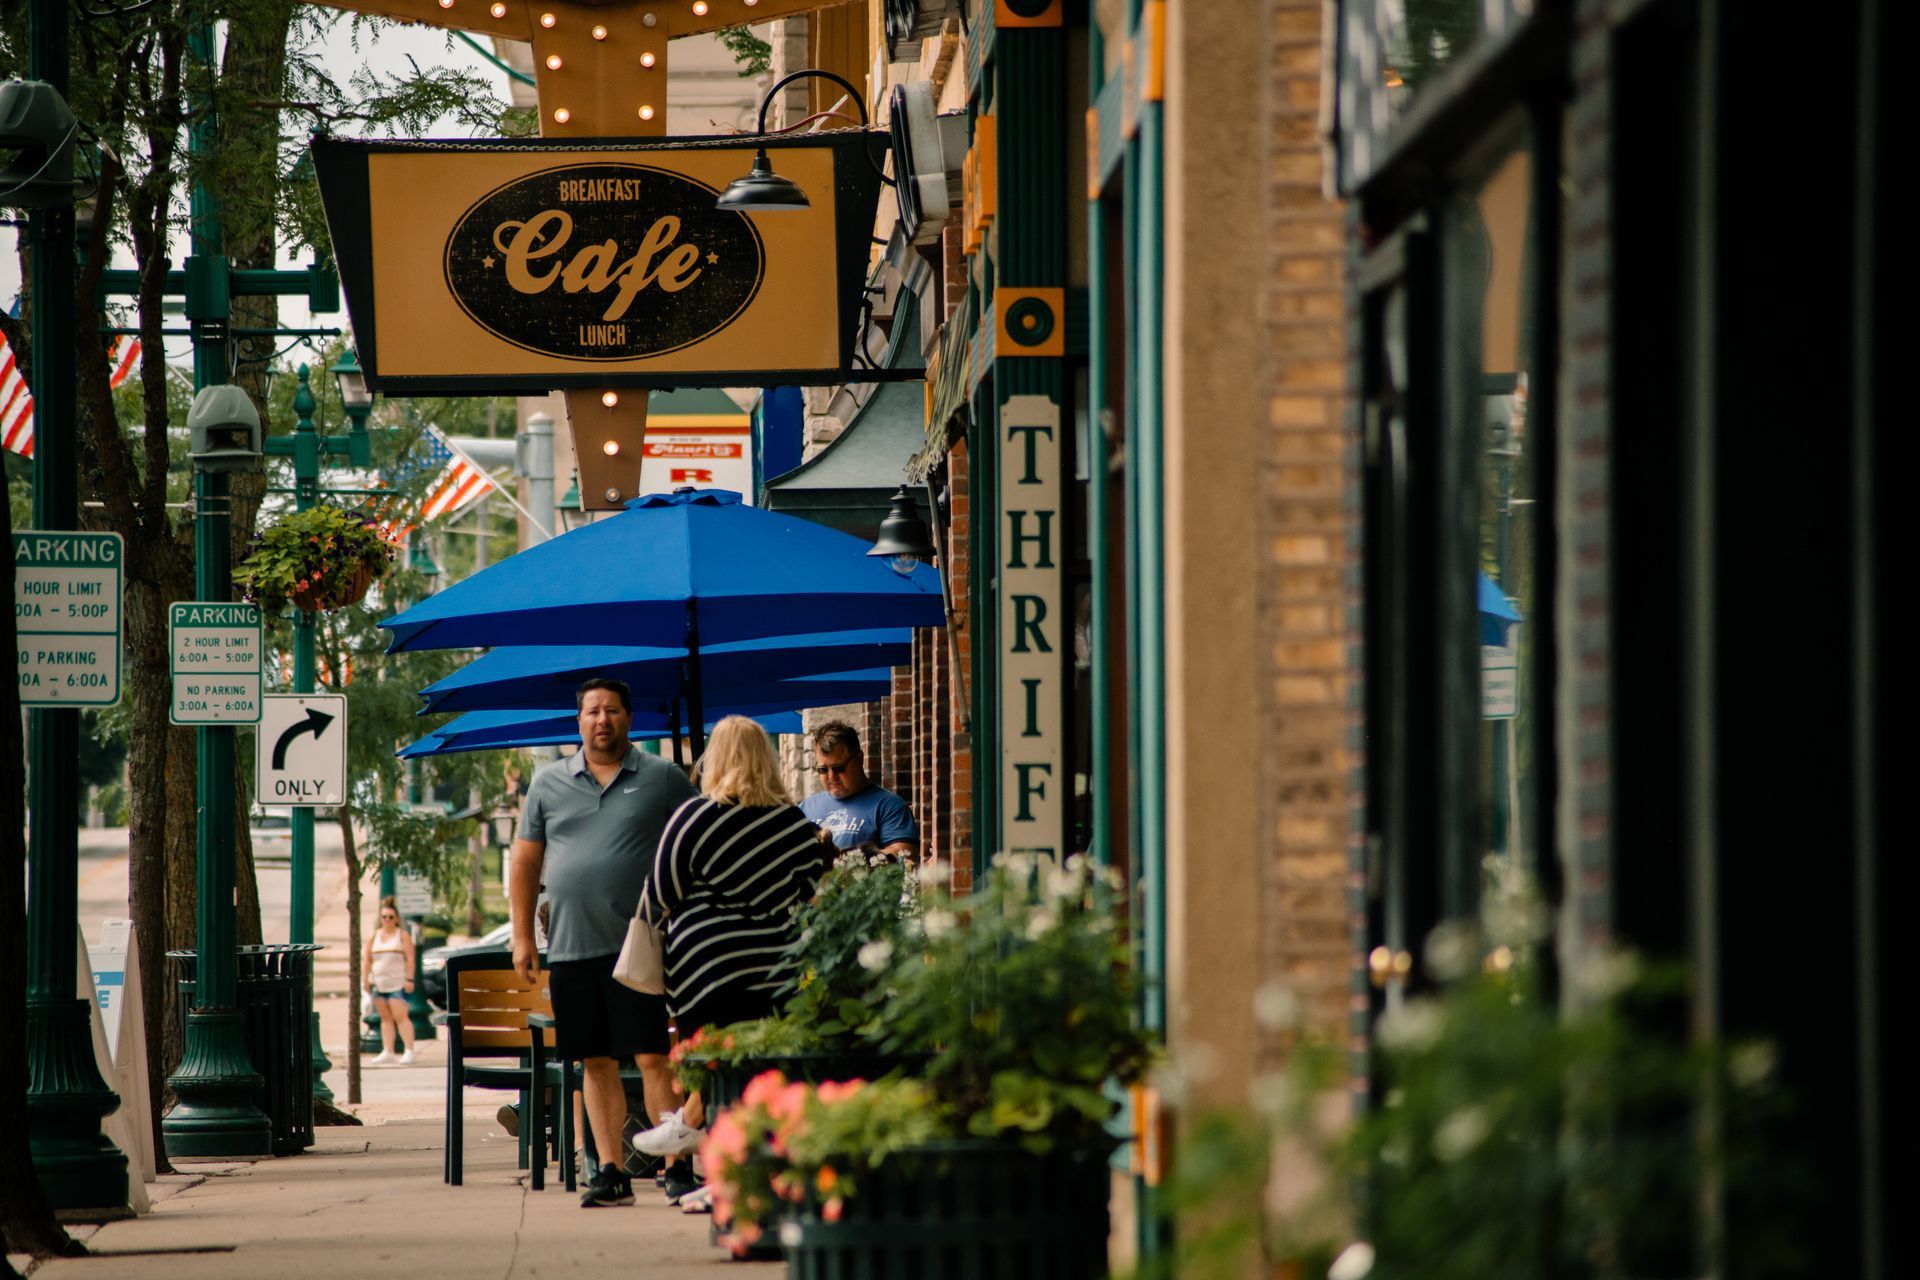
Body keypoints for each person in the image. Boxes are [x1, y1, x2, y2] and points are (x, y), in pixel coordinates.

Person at [630, 715, 836, 1204]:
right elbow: (809, 892)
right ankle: (735, 1184)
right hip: (772, 965)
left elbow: (661, 891)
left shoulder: (692, 817)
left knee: (713, 1067)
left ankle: (708, 1161)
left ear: (715, 758)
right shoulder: (793, 824)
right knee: (754, 1074)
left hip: (704, 967)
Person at [509, 677, 697, 1209]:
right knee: (595, 1062)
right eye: (592, 711)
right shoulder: (547, 783)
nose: (602, 720)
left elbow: (693, 844)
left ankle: (677, 1167)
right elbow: (525, 861)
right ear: (579, 721)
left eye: (612, 710)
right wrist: (522, 936)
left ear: (629, 719)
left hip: (639, 947)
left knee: (653, 1058)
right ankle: (610, 1171)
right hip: (570, 947)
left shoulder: (663, 777)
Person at [799, 720, 919, 857]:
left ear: (859, 759)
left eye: (839, 768)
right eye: (823, 769)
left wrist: (851, 860)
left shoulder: (889, 806)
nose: (831, 777)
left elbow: (905, 854)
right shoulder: (805, 808)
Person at [363, 897, 416, 1065]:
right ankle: (388, 1050)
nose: (387, 920)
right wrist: (365, 979)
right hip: (379, 983)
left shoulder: (402, 935)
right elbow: (367, 960)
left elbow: (410, 959)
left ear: (397, 919)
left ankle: (408, 1050)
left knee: (400, 1016)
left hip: (397, 982)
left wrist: (409, 979)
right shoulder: (374, 936)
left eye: (390, 917)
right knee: (385, 1018)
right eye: (384, 917)